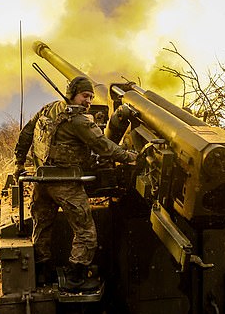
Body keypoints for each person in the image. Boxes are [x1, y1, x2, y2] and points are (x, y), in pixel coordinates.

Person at [14, 76, 136, 291]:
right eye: (84, 96)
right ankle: (75, 274)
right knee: (86, 232)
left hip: (41, 180)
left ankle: (42, 270)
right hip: (66, 183)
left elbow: (27, 133)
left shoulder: (48, 109)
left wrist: (19, 162)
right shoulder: (79, 121)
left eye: (90, 97)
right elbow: (102, 145)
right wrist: (128, 156)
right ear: (72, 94)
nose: (88, 101)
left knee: (42, 226)